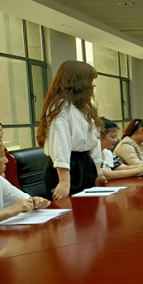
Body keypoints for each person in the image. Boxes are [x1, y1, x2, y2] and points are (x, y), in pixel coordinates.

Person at [37, 60, 107, 200]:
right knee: (69, 209)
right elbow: (60, 144)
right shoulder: (60, 106)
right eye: (91, 80)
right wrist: (64, 181)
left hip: (85, 162)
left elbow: (94, 140)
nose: (93, 85)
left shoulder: (84, 107)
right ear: (78, 81)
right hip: (66, 167)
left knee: (90, 206)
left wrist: (98, 171)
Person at [0, 133, 50, 226]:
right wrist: (10, 211)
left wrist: (34, 201)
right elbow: (14, 209)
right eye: (2, 155)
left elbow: (23, 200)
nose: (6, 160)